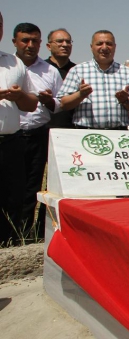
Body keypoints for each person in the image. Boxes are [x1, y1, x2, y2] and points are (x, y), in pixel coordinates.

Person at [13, 23, 62, 236]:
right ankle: (9, 232)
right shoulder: (8, 65)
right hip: (10, 136)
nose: (30, 45)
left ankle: (25, 232)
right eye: (25, 40)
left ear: (42, 43)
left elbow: (60, 102)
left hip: (38, 133)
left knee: (34, 187)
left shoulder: (49, 70)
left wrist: (49, 101)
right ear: (15, 41)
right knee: (10, 186)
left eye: (35, 41)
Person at [0, 11, 39, 245]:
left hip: (10, 143)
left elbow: (31, 103)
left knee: (13, 197)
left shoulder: (13, 62)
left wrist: (19, 95)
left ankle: (9, 245)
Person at [57, 30, 129, 129]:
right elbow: (63, 104)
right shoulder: (78, 70)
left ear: (115, 47)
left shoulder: (127, 72)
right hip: (86, 134)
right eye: (99, 44)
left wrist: (125, 100)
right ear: (91, 47)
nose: (104, 47)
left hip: (118, 133)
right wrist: (80, 94)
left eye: (109, 44)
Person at [45, 28, 76, 129]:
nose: (65, 45)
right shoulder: (40, 69)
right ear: (48, 46)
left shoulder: (77, 71)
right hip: (43, 129)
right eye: (59, 41)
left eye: (68, 42)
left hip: (70, 128)